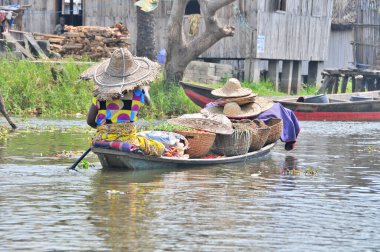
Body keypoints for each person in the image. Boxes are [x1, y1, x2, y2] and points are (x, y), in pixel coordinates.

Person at [86, 48, 165, 156]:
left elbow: (90, 121)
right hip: (127, 141)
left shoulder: (100, 95)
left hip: (102, 138)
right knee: (160, 147)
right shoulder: (138, 93)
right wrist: (145, 88)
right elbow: (147, 100)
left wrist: (107, 129)